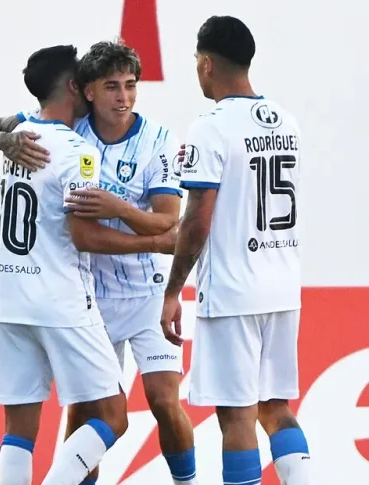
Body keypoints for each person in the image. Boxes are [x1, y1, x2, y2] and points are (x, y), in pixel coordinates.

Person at [0, 41, 197, 485]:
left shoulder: (39, 131)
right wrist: (1, 140)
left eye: (130, 85)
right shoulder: (71, 142)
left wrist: (122, 209)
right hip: (75, 296)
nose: (123, 97)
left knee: (162, 402)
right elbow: (87, 235)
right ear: (83, 89)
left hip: (87, 293)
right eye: (110, 86)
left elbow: (169, 217)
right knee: (102, 414)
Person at [160, 16, 311, 485]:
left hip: (234, 291)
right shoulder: (286, 121)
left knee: (237, 416)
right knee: (276, 408)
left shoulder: (211, 127)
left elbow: (197, 220)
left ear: (206, 64)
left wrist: (173, 290)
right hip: (282, 286)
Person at [0, 44, 140, 485]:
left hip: (11, 298)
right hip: (61, 299)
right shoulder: (77, 150)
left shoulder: (20, 137)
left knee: (18, 430)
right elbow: (84, 235)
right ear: (76, 87)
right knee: (113, 415)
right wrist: (156, 240)